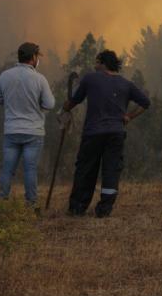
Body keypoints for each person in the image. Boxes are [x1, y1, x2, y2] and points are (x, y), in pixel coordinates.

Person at [61, 50, 150, 218]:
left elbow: (74, 100)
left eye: (96, 62)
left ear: (102, 63)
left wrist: (65, 108)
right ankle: (104, 209)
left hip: (93, 133)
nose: (95, 66)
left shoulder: (91, 78)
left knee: (86, 169)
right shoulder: (126, 84)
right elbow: (145, 102)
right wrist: (129, 116)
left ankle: (77, 208)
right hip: (116, 133)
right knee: (111, 171)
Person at [0, 42, 55, 207]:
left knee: (7, 168)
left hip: (12, 130)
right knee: (30, 169)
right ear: (33, 58)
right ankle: (31, 203)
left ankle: (1, 201)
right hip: (33, 131)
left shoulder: (5, 76)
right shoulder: (39, 79)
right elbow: (49, 104)